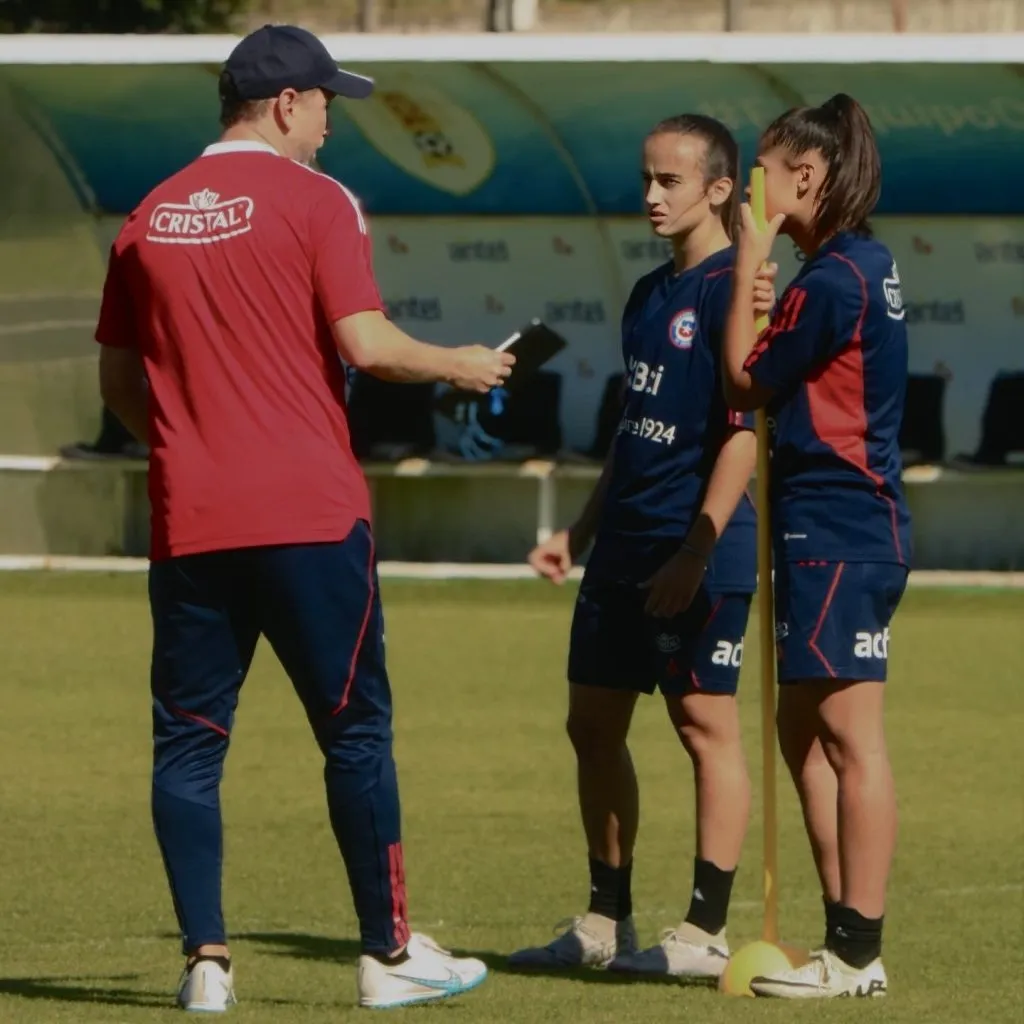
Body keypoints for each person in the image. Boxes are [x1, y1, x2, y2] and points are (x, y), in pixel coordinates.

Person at [95, 24, 514, 1013]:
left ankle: (206, 964)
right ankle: (388, 953)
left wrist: (198, 435)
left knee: (190, 747)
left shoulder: (147, 214)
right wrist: (460, 361)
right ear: (284, 105)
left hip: (190, 518)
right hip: (310, 516)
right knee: (356, 734)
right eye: (327, 103)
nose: (332, 122)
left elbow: (119, 384)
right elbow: (364, 344)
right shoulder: (318, 200)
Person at [509, 115, 774, 981]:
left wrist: (696, 549)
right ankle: (604, 918)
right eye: (647, 179)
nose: (653, 196)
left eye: (671, 181)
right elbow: (637, 428)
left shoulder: (740, 289)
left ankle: (703, 932)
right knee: (590, 724)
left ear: (721, 190)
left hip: (695, 550)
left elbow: (744, 434)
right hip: (621, 549)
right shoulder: (647, 294)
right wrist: (578, 532)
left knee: (705, 727)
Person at [720, 93, 912, 999]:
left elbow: (745, 379)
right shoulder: (836, 270)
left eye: (762, 169)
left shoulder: (840, 276)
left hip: (843, 525)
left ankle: (859, 953)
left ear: (807, 175)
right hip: (821, 525)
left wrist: (747, 268)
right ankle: (843, 939)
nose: (751, 187)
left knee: (847, 734)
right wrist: (766, 293)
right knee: (803, 731)